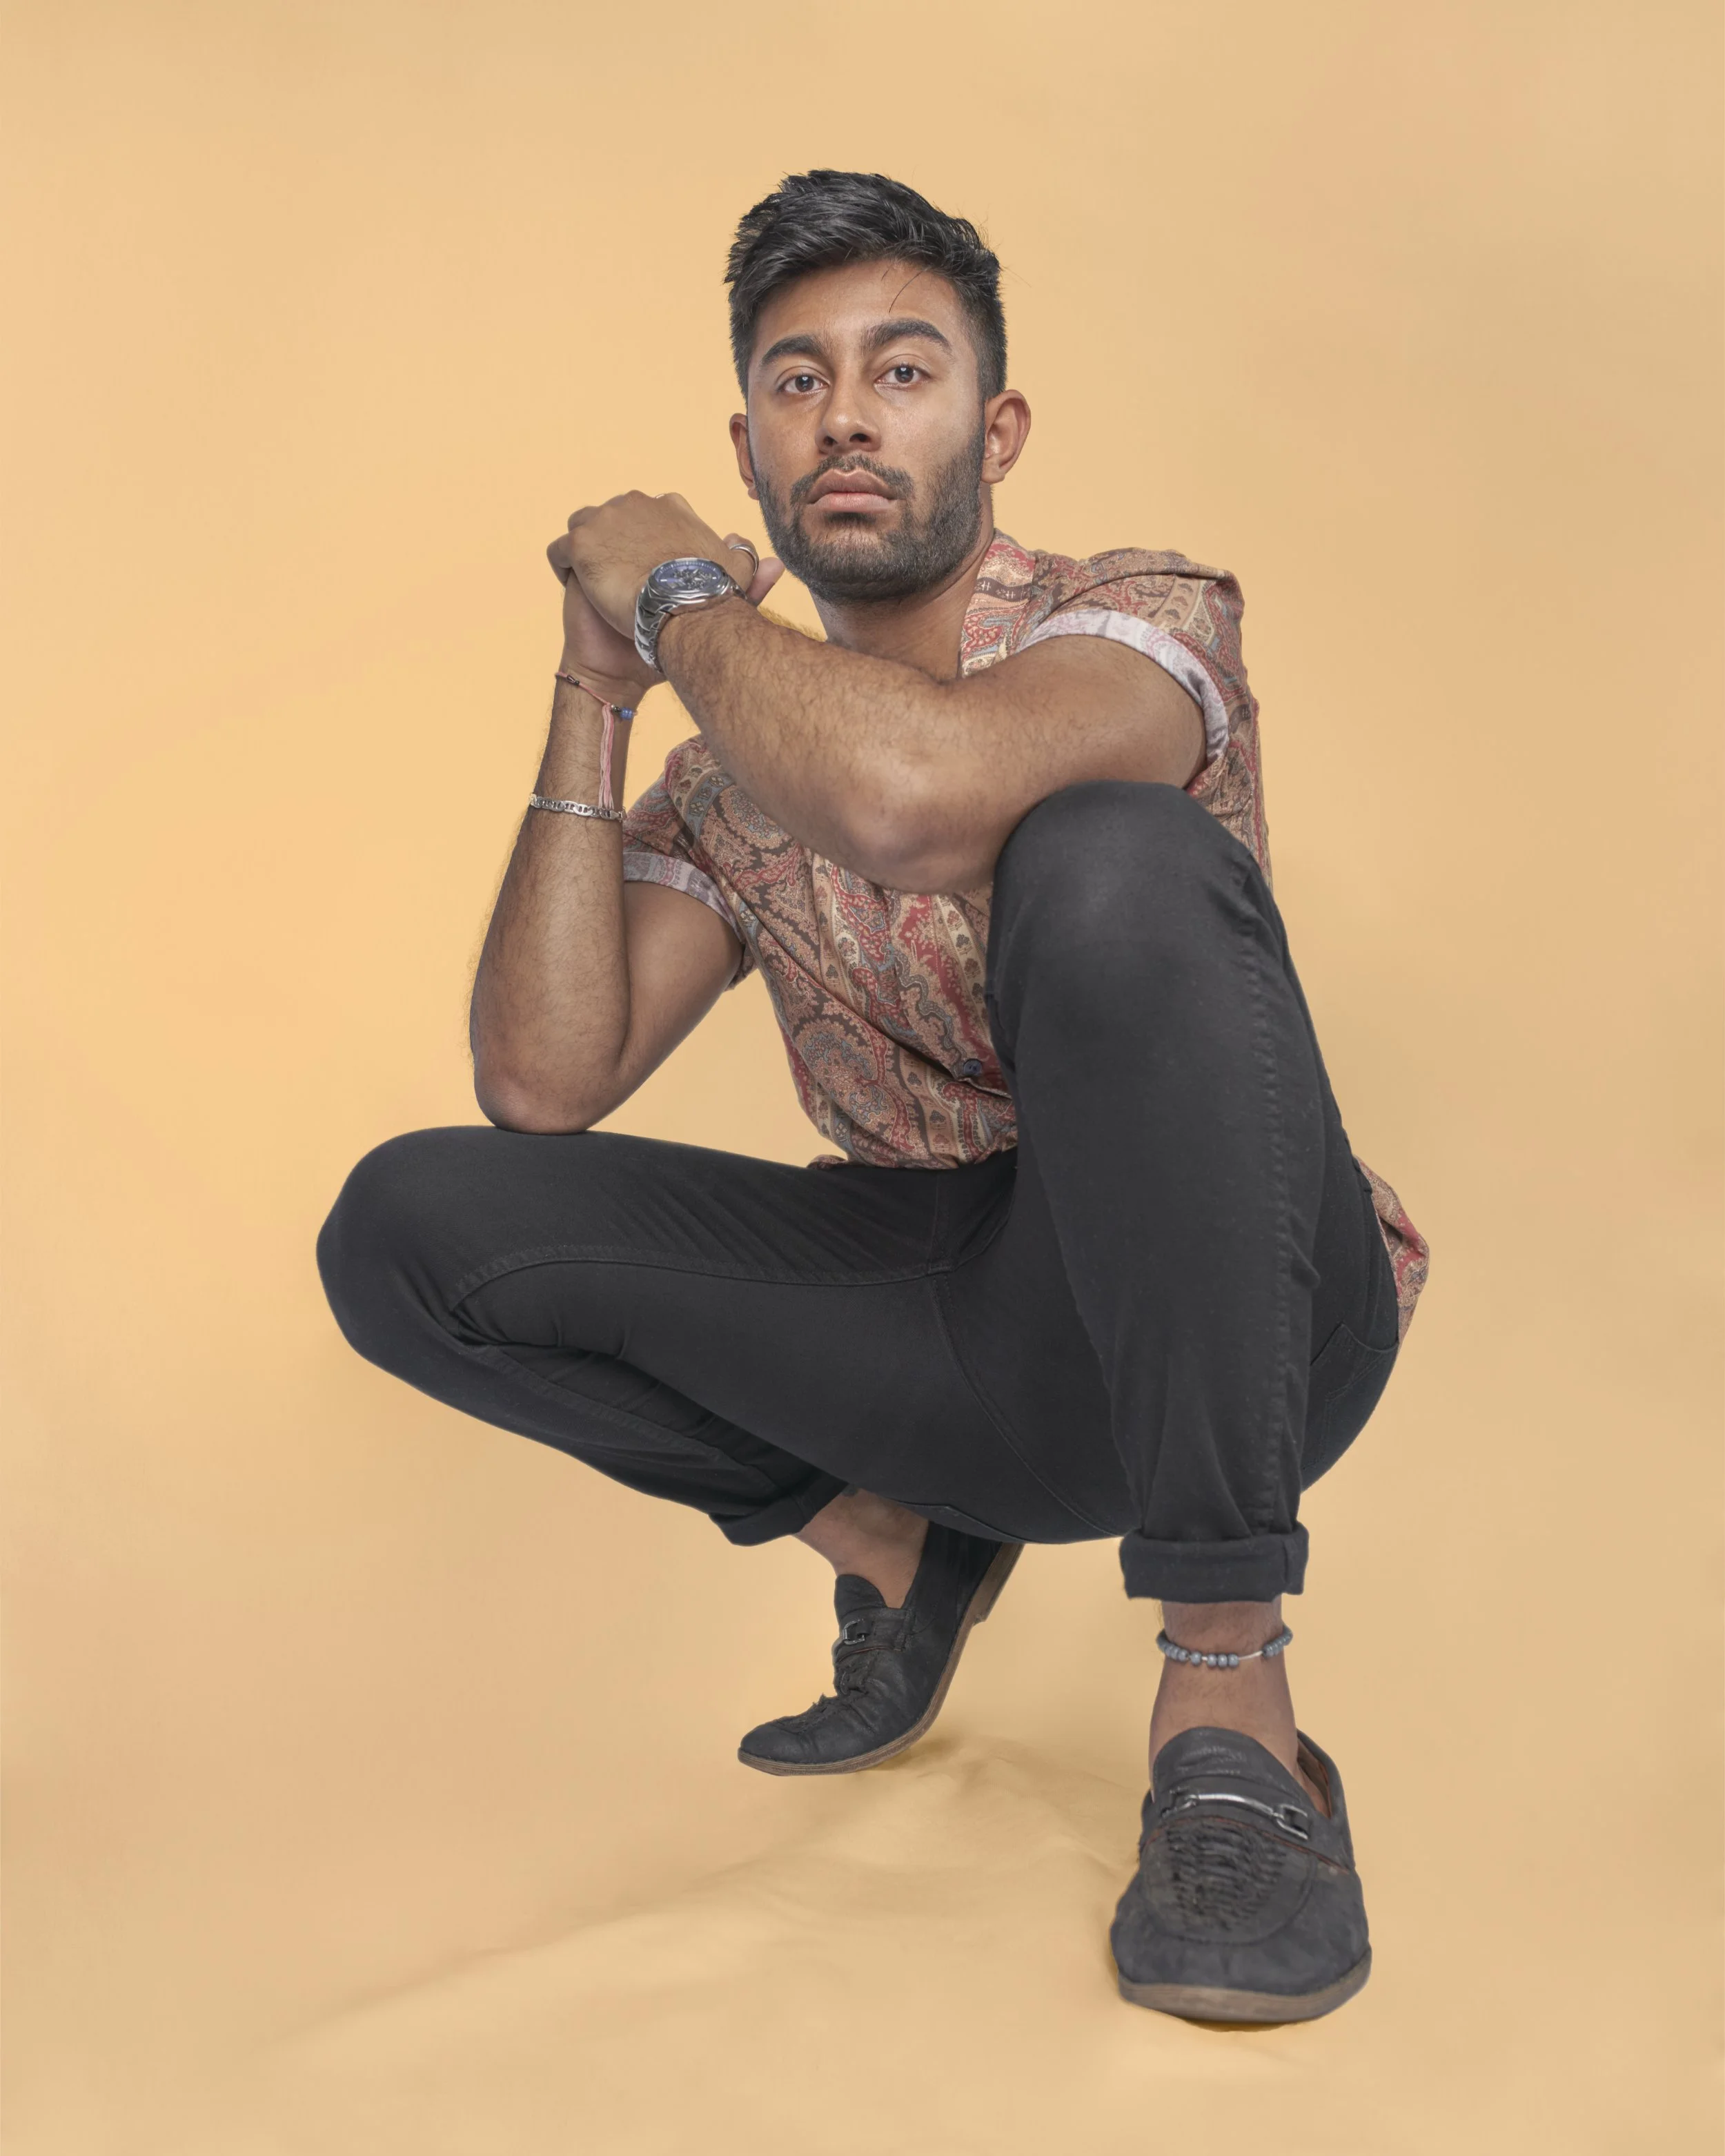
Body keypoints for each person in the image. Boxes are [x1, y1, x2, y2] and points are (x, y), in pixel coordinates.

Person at [317, 170, 1428, 2026]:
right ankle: (903, 1553)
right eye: (793, 381)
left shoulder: (1136, 623)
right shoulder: (733, 762)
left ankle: (1230, 1699)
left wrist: (674, 599)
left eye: (898, 372)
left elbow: (914, 797)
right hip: (972, 1347)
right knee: (410, 1228)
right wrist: (600, 689)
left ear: (989, 430)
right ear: (748, 450)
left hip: (1250, 1316)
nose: (842, 412)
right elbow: (540, 1072)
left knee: (1103, 857)